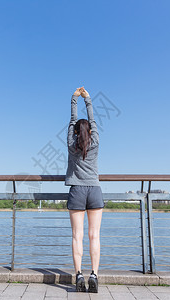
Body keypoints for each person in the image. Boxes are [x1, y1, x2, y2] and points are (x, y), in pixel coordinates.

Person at [65, 86, 104, 293]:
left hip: (77, 191)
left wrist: (74, 98)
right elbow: (93, 122)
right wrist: (88, 99)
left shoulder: (72, 144)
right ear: (89, 131)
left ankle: (79, 274)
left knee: (76, 236)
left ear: (75, 132)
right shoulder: (95, 142)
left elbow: (73, 121)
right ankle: (94, 275)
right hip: (94, 190)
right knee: (94, 236)